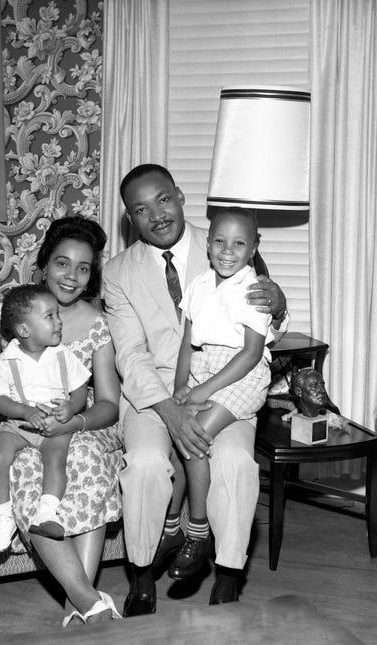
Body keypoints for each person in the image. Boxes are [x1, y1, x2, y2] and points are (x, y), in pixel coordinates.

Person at [102, 164, 288, 614]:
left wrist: (279, 304)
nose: (157, 215)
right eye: (141, 210)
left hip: (226, 382)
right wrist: (171, 407)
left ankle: (226, 572)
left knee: (235, 462)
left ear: (180, 196)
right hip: (151, 394)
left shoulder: (226, 239)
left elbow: (264, 329)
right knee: (145, 463)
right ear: (130, 218)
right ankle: (142, 573)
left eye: (163, 200)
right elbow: (129, 353)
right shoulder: (117, 272)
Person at [0, 216, 122, 626]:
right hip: (22, 421)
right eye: (63, 263)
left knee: (87, 464)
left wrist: (72, 422)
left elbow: (109, 403)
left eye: (83, 268)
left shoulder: (97, 324)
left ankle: (73, 605)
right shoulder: (15, 311)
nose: (72, 276)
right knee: (27, 471)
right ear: (44, 264)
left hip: (82, 419)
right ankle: (88, 601)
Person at [169, 207, 274, 582]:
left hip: (241, 375)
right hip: (204, 366)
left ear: (253, 247)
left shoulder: (254, 289)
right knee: (178, 436)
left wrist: (203, 390)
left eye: (239, 243)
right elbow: (187, 342)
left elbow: (250, 354)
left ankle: (196, 532)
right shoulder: (198, 283)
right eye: (219, 241)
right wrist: (182, 385)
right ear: (208, 243)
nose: (227, 251)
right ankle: (172, 525)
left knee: (194, 439)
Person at [0, 284, 91, 549]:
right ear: (24, 330)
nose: (59, 322)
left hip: (56, 424)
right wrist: (24, 411)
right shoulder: (7, 359)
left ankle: (48, 511)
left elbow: (80, 390)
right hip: (20, 424)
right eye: (50, 316)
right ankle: (3, 515)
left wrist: (72, 407)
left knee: (55, 457)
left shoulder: (63, 355)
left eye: (58, 314)